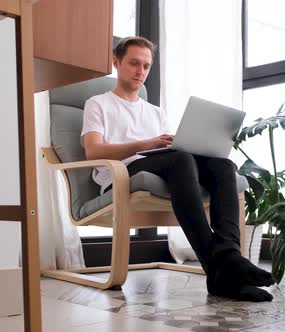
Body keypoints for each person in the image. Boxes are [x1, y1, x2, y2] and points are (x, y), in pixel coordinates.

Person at [80, 36, 274, 302]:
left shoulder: (155, 112)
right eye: (134, 63)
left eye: (146, 66)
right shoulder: (98, 103)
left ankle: (227, 261)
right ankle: (225, 266)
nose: (141, 71)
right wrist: (147, 143)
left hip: (166, 163)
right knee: (181, 159)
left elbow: (169, 153)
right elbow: (94, 151)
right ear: (116, 62)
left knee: (224, 166)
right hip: (121, 173)